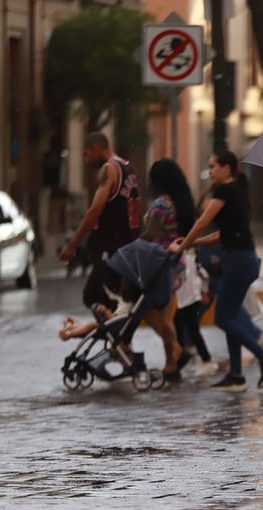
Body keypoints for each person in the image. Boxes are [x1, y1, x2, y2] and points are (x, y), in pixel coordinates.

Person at [169, 150, 263, 393]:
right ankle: (236, 375)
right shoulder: (234, 193)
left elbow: (202, 223)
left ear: (227, 168)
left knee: (222, 318)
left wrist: (183, 245)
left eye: (213, 166)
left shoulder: (225, 191)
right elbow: (221, 235)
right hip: (243, 260)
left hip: (240, 262)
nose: (209, 171)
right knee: (228, 316)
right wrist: (193, 244)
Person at [59, 132, 141, 310]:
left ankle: (119, 337)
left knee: (99, 299)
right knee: (97, 298)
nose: (87, 160)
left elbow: (95, 209)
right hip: (127, 247)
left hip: (111, 251)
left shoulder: (109, 169)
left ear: (96, 148)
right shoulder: (128, 168)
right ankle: (115, 334)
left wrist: (72, 244)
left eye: (86, 154)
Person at [139, 158, 197, 380]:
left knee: (150, 312)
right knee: (166, 316)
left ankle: (178, 352)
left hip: (160, 265)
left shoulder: (161, 203)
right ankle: (171, 366)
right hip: (177, 265)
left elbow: (151, 234)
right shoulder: (181, 201)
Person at [174, 250, 218, 378]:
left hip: (190, 299)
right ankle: (181, 357)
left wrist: (203, 291)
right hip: (188, 299)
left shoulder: (186, 258)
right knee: (182, 325)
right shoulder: (187, 257)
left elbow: (201, 274)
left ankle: (206, 359)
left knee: (189, 328)